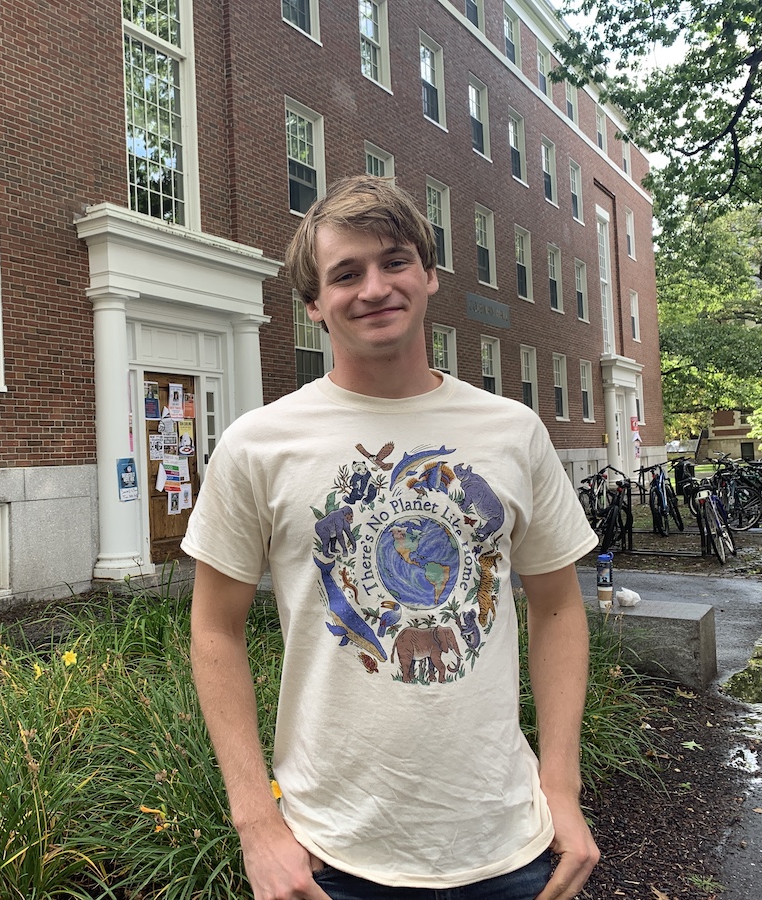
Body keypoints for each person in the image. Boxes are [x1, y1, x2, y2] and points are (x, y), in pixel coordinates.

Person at [183, 175, 600, 900]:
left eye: (394, 261)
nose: (374, 287)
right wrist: (257, 825)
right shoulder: (258, 444)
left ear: (429, 276)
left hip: (509, 846)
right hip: (328, 856)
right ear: (314, 305)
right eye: (346, 273)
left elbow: (558, 607)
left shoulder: (511, 431)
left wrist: (560, 787)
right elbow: (215, 631)